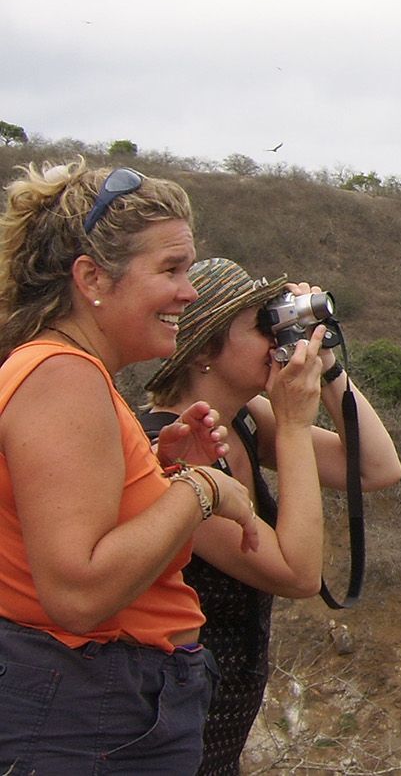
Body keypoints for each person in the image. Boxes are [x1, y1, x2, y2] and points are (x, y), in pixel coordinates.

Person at [0, 160, 274, 772]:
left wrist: (157, 475)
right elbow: (77, 592)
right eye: (171, 269)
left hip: (103, 704)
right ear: (93, 277)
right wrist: (201, 491)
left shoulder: (68, 375)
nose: (190, 290)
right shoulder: (62, 376)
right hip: (89, 710)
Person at [142, 258, 401, 775]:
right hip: (165, 727)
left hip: (218, 720)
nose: (274, 338)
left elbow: (377, 467)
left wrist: (326, 364)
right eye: (261, 325)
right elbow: (298, 573)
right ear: (205, 352)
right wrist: (291, 424)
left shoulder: (239, 419)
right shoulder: (168, 453)